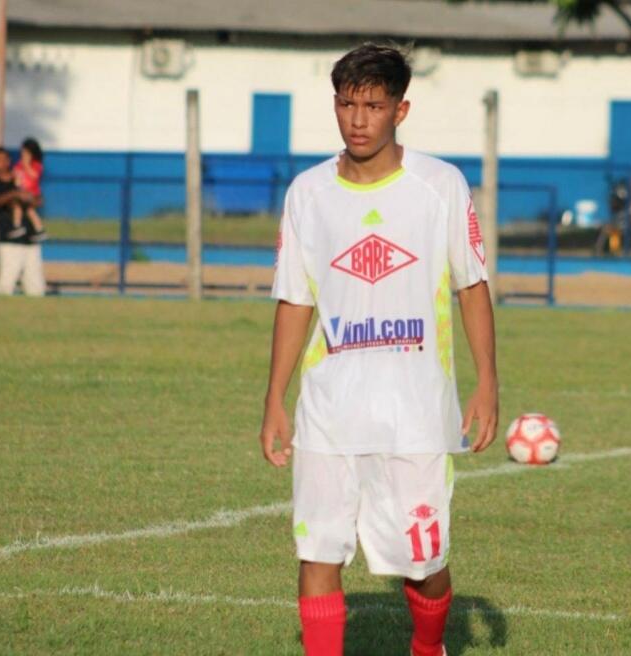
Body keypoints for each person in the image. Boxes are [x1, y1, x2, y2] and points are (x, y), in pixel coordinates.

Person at [259, 44, 499, 656]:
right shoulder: (308, 192)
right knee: (318, 550)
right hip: (328, 410)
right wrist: (275, 401)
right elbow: (294, 300)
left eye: (373, 105)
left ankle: (426, 647)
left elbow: (471, 285)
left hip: (414, 411)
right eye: (346, 104)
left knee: (421, 561)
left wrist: (487, 382)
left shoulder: (439, 184)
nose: (357, 119)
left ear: (401, 109)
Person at [0, 146, 47, 296]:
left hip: (30, 239)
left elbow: (38, 199)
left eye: (6, 159)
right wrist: (14, 194)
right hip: (9, 240)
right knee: (7, 281)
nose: (3, 163)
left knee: (35, 286)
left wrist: (29, 197)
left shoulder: (21, 178)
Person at [12, 137, 47, 242]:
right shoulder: (19, 165)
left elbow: (35, 176)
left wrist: (26, 165)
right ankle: (17, 227)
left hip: (33, 194)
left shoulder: (36, 165)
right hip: (22, 193)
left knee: (29, 210)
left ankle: (39, 230)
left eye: (27, 153)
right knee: (20, 208)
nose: (24, 156)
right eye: (23, 153)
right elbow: (16, 177)